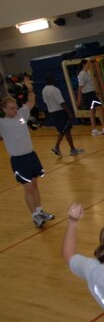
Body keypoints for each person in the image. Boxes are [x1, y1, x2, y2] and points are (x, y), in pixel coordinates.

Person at [0, 77, 55, 228]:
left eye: (14, 107)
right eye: (10, 108)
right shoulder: (2, 123)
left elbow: (31, 102)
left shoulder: (22, 116)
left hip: (31, 156)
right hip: (18, 160)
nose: (14, 110)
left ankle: (40, 211)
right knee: (28, 187)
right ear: (4, 109)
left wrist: (30, 89)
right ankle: (34, 216)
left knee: (35, 185)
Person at [42, 75, 85, 157]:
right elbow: (61, 102)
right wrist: (69, 112)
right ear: (53, 81)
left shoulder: (44, 90)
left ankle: (58, 147)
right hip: (59, 112)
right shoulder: (55, 90)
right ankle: (71, 149)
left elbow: (45, 102)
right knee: (66, 130)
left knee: (63, 130)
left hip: (52, 113)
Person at [76, 59, 104, 136]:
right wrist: (79, 97)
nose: (89, 65)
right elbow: (80, 87)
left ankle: (94, 129)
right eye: (88, 64)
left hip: (91, 94)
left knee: (92, 112)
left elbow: (87, 85)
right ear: (84, 64)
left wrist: (95, 91)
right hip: (89, 95)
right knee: (100, 108)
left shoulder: (86, 73)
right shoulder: (82, 74)